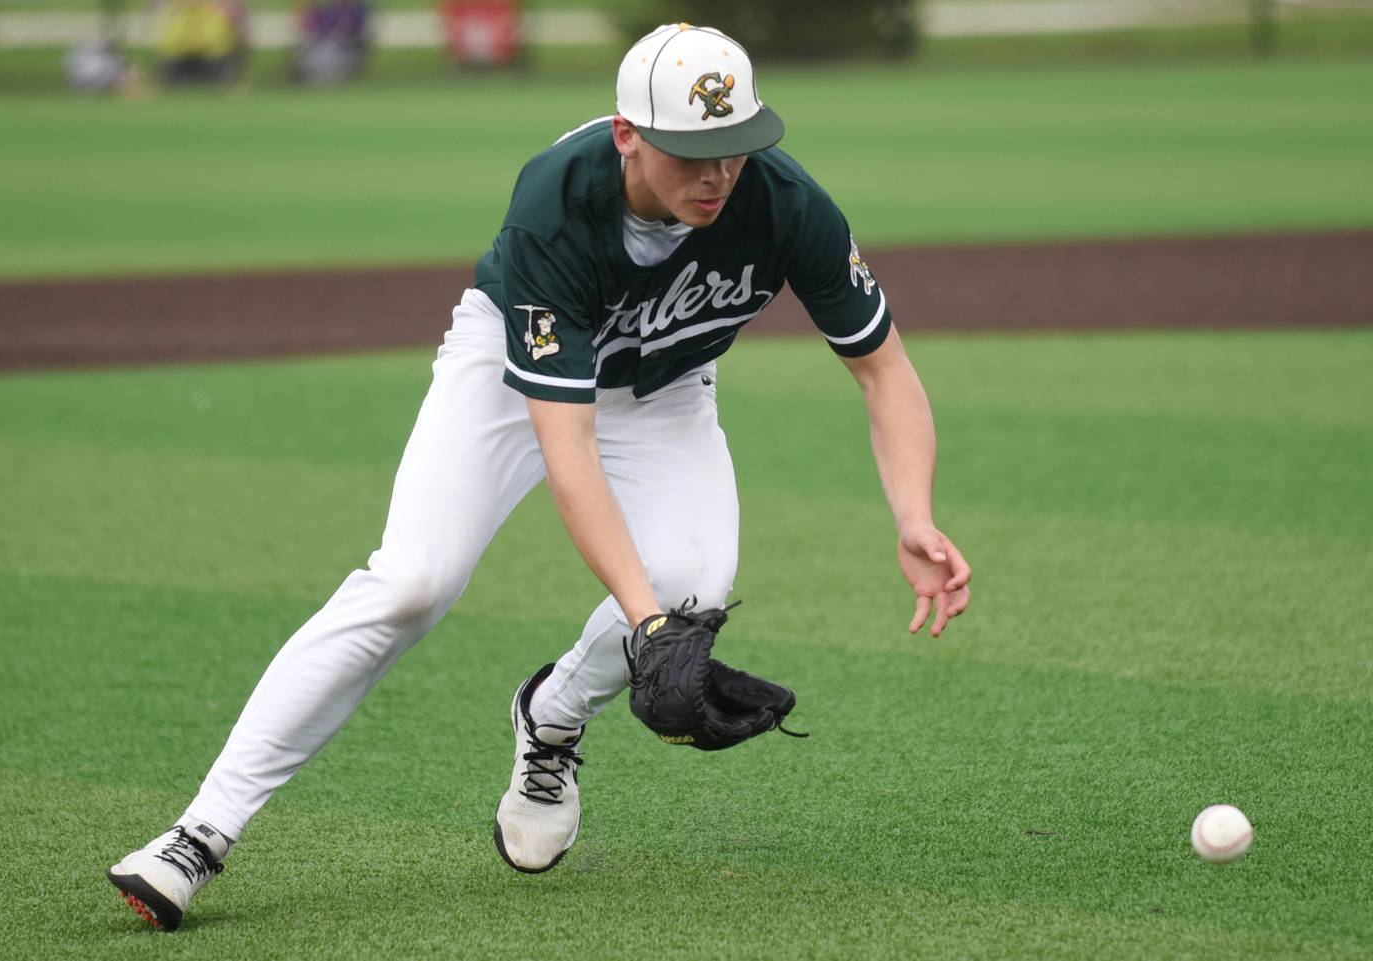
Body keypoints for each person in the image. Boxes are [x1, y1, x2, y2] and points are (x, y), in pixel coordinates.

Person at [106, 21, 972, 931]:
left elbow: (883, 367)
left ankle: (550, 717)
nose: (718, 175)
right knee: (413, 581)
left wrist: (912, 513)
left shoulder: (787, 205)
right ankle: (199, 833)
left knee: (695, 586)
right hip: (513, 363)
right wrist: (647, 628)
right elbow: (569, 452)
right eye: (693, 153)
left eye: (736, 150)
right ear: (628, 133)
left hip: (667, 384)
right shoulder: (559, 201)